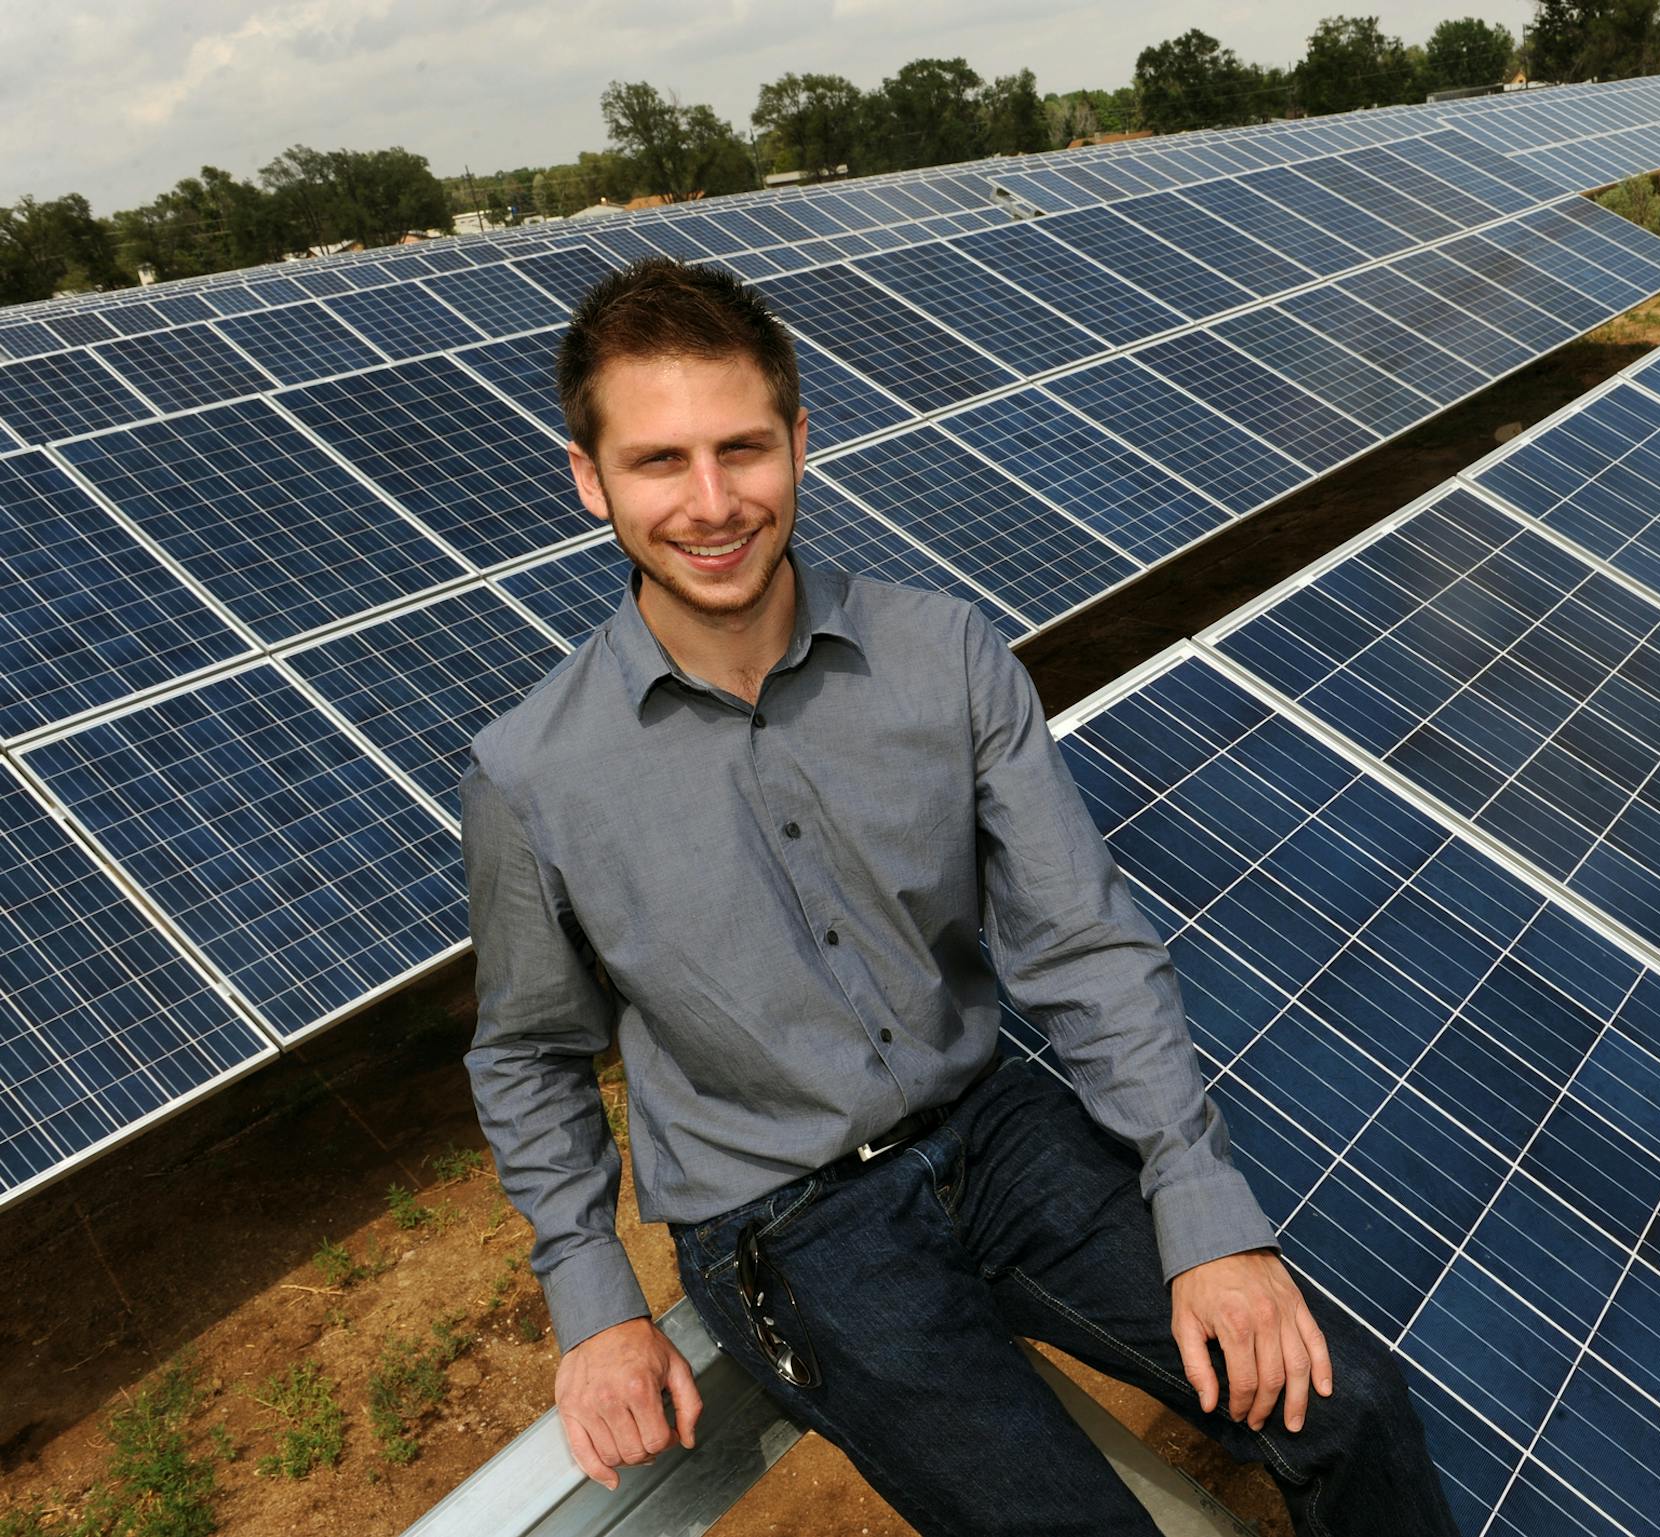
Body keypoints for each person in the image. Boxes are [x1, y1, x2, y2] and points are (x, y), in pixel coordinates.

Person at [462, 256, 1460, 1536]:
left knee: (1352, 1403)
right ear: (589, 478)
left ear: (801, 441)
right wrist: (593, 1295)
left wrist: (1204, 1212)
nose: (712, 503)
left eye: (743, 449)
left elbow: (1085, 943)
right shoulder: (533, 771)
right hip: (795, 1234)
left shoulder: (945, 654)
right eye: (660, 462)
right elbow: (531, 1053)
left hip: (998, 1134)